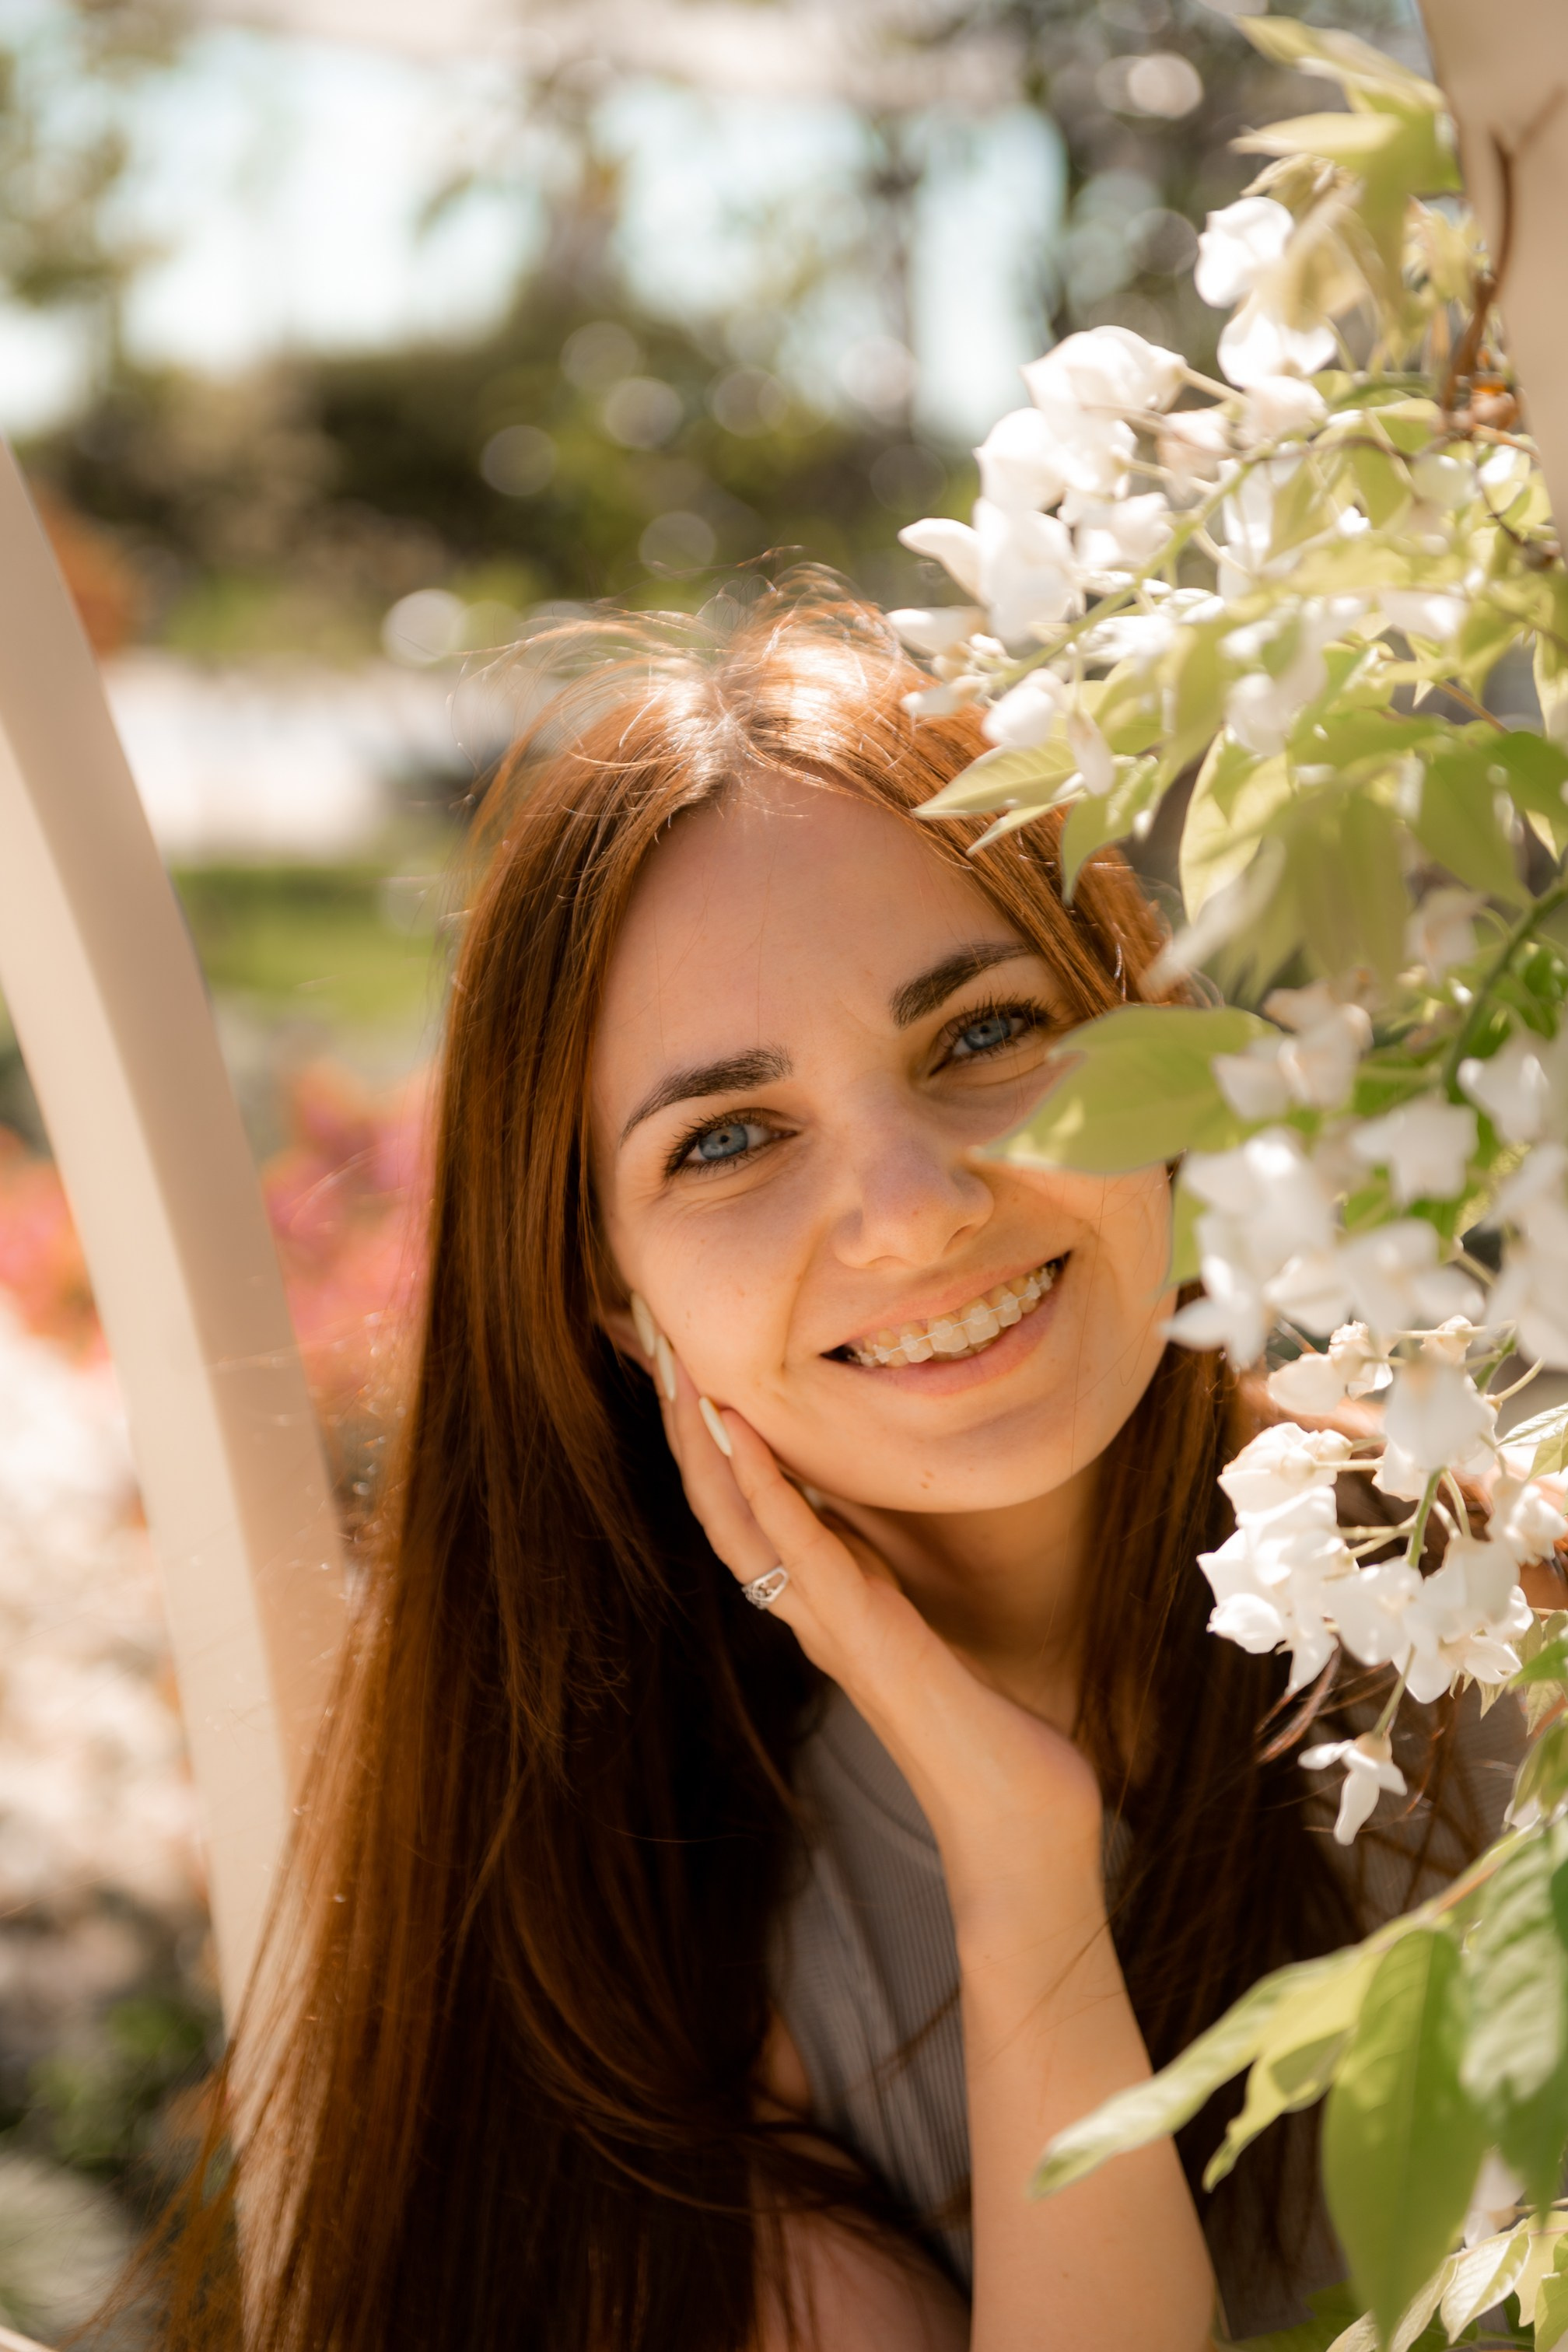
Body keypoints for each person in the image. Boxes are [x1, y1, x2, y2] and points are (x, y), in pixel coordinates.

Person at [154, 580, 1522, 2352]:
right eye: (728, 1139)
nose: (908, 1210)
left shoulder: (1503, 1607)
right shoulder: (662, 1968)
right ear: (612, 1299)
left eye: (981, 1036)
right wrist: (1020, 1872)